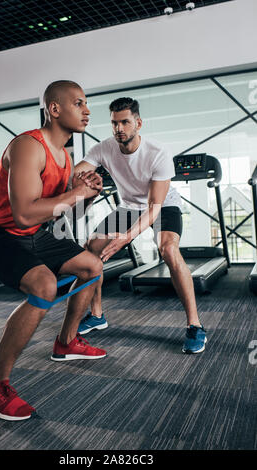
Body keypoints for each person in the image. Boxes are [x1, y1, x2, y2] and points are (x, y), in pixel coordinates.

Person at [0, 80, 107, 421]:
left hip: (32, 233)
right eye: (78, 103)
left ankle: (67, 342)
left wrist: (86, 195)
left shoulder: (65, 155)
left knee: (92, 267)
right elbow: (26, 212)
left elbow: (63, 213)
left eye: (86, 103)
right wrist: (75, 194)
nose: (86, 110)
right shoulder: (29, 146)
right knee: (43, 286)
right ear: (54, 109)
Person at [75, 97, 207, 354]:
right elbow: (76, 171)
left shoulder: (158, 153)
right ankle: (97, 315)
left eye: (125, 122)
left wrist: (126, 237)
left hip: (161, 205)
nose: (119, 129)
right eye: (114, 123)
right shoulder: (104, 148)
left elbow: (153, 208)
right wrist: (76, 178)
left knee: (168, 250)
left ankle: (195, 325)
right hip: (128, 206)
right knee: (92, 248)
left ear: (138, 123)